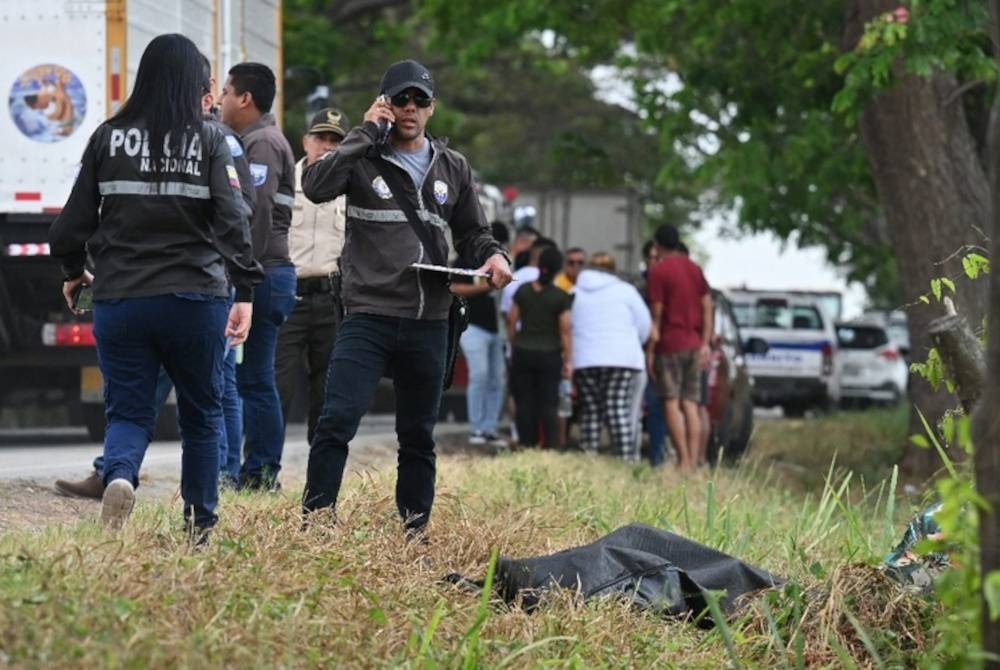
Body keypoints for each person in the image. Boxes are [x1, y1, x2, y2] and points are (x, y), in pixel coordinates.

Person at [48, 33, 261, 535]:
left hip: (122, 299)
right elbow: (235, 221)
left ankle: (120, 475)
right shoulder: (210, 139)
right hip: (194, 299)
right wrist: (246, 291)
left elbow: (69, 226)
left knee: (128, 410)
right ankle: (199, 526)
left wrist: (74, 272)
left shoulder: (107, 136)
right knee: (202, 414)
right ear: (195, 83)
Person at [299, 59, 512, 535]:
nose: (409, 108)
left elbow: (474, 233)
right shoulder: (362, 156)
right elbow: (314, 187)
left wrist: (495, 258)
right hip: (368, 314)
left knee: (417, 435)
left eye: (418, 100)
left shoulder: (452, 166)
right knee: (336, 421)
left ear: (432, 108)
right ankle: (315, 524)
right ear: (385, 104)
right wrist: (364, 131)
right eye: (400, 100)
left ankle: (412, 531)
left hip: (429, 317)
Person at [219, 62, 297, 491]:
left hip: (264, 272)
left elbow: (258, 215)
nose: (222, 100)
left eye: (228, 92)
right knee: (251, 379)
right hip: (267, 272)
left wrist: (241, 276)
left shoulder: (262, 143)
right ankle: (256, 470)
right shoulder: (254, 140)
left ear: (245, 98)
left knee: (254, 380)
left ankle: (262, 471)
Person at [275, 107, 349, 444]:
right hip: (289, 296)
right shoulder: (285, 182)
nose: (328, 146)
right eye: (321, 138)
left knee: (328, 390)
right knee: (276, 386)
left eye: (336, 141)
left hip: (331, 299)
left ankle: (319, 474)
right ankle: (262, 470)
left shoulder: (351, 189)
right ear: (306, 142)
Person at [571, 252, 651, 461]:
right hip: (622, 359)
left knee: (590, 411)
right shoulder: (626, 291)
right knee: (617, 409)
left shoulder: (575, 291)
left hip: (584, 359)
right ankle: (626, 460)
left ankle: (590, 457)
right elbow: (645, 326)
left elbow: (568, 324)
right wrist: (635, 342)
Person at [646, 224, 713, 471]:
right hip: (694, 344)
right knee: (691, 404)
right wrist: (705, 342)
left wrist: (651, 350)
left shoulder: (658, 271)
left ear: (657, 244)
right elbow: (707, 305)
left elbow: (658, 313)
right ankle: (694, 462)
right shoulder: (694, 269)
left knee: (672, 402)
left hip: (670, 343)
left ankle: (683, 460)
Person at [450, 222, 510, 448]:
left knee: (497, 379)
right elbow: (454, 287)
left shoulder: (504, 263)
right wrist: (486, 287)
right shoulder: (467, 260)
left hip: (496, 328)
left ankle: (489, 428)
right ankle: (476, 427)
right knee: (480, 375)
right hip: (473, 326)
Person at [507, 247, 573, 449]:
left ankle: (527, 443)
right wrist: (568, 360)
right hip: (549, 354)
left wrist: (514, 344)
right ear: (558, 269)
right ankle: (551, 445)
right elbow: (565, 331)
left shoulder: (524, 290)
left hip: (523, 352)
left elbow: (511, 320)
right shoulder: (560, 296)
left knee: (524, 401)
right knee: (548, 402)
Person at [637, 240, 669, 466]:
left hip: (662, 354)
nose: (655, 262)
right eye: (651, 258)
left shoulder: (670, 285)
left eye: (659, 258)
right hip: (637, 354)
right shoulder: (637, 288)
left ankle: (657, 457)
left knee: (657, 406)